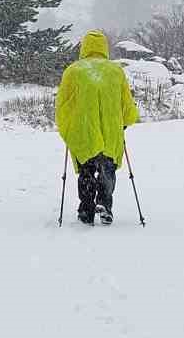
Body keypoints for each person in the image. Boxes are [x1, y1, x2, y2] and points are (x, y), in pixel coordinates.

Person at [56, 30, 141, 225]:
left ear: (84, 46)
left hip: (84, 130)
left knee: (87, 170)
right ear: (104, 47)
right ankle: (104, 202)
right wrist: (126, 121)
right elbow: (127, 104)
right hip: (111, 131)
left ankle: (86, 210)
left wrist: (67, 127)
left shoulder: (74, 71)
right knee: (107, 169)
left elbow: (63, 104)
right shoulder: (115, 71)